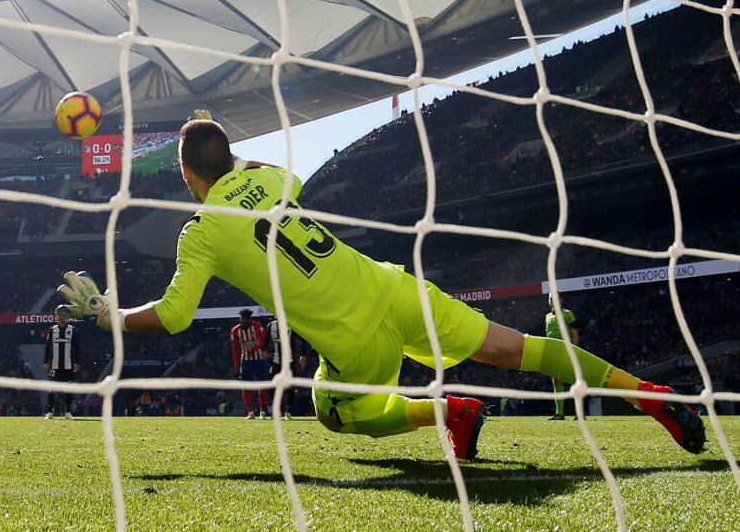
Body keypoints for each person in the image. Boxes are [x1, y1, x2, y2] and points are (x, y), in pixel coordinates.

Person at [56, 119, 706, 459]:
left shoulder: (200, 229)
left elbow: (172, 318)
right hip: (392, 288)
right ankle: (650, 393)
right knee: (517, 347)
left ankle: (443, 410)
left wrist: (109, 315)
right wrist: (237, 165)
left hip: (353, 341)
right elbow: (276, 176)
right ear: (228, 158)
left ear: (187, 177)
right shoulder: (279, 180)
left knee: (332, 411)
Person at [265, 315, 307, 419]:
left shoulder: (291, 325)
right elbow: (266, 340)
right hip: (276, 361)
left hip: (289, 361)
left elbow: (302, 339)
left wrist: (303, 354)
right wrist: (263, 350)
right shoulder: (271, 326)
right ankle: (278, 410)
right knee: (271, 385)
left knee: (290, 387)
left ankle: (288, 411)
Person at [231, 308, 268, 419]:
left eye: (245, 319)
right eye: (241, 319)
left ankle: (262, 412)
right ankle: (250, 412)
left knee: (262, 385)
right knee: (246, 386)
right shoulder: (235, 330)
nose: (242, 321)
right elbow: (235, 349)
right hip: (246, 360)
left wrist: (256, 347)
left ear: (249, 319)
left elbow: (263, 340)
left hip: (259, 359)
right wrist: (237, 365)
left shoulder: (257, 326)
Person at [545, 302, 579, 420]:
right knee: (556, 381)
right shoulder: (548, 316)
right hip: (554, 352)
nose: (552, 300)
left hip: (566, 350)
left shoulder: (568, 314)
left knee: (573, 380)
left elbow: (575, 332)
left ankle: (579, 413)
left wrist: (574, 349)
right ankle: (560, 413)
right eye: (550, 298)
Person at [44, 312, 80, 420]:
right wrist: (46, 361)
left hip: (68, 364)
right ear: (57, 317)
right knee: (52, 389)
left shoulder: (73, 330)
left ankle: (68, 412)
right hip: (54, 365)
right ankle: (50, 412)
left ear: (67, 317)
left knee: (68, 388)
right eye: (59, 316)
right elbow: (47, 346)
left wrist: (77, 362)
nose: (61, 318)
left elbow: (77, 347)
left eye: (63, 316)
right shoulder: (52, 330)